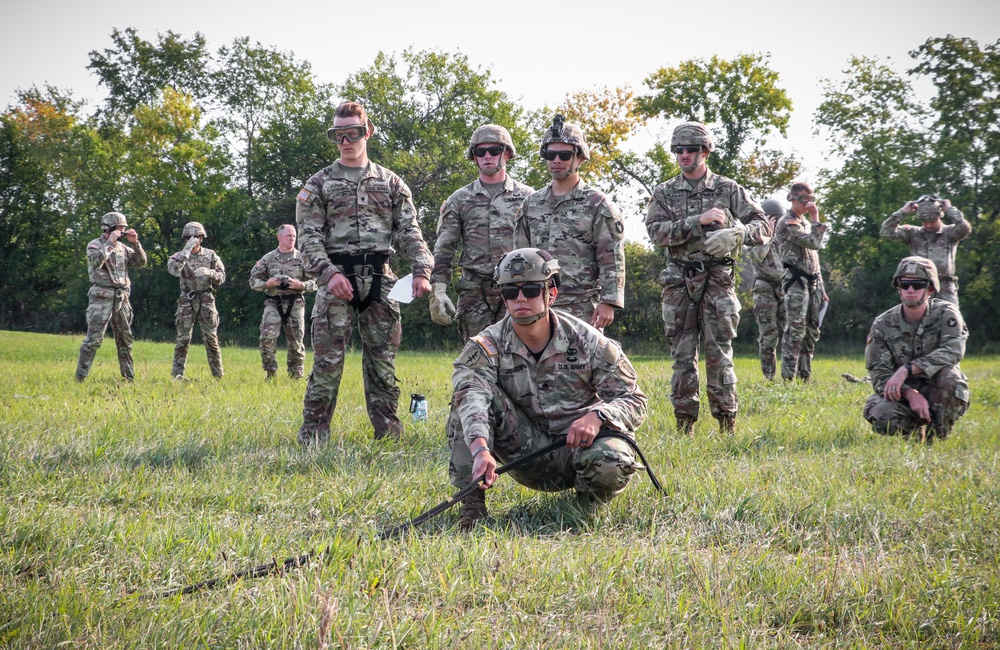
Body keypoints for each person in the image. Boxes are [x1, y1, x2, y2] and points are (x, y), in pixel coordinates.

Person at [447, 248, 648, 529]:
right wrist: (481, 450)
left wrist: (598, 416)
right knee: (466, 402)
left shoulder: (588, 341)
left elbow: (633, 398)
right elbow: (472, 396)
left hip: (580, 450)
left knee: (613, 458)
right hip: (523, 453)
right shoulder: (486, 346)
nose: (520, 299)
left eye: (530, 290)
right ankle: (472, 507)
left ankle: (581, 508)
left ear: (550, 294)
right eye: (509, 292)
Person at [295, 101, 433, 444]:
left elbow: (409, 230)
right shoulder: (319, 184)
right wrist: (328, 274)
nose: (345, 141)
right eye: (338, 135)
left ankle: (388, 436)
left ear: (367, 132)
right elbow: (308, 237)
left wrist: (421, 269)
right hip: (335, 278)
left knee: (382, 366)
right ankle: (313, 438)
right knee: (327, 365)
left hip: (381, 280)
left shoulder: (390, 182)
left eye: (352, 133)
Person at [644, 121, 770, 434]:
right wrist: (696, 221)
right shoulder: (665, 192)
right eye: (678, 150)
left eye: (691, 149)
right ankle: (684, 425)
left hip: (718, 278)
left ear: (706, 151)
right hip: (678, 279)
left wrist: (738, 234)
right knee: (683, 358)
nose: (684, 155)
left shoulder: (728, 189)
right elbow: (656, 234)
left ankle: (727, 424)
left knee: (719, 355)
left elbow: (764, 227)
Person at [513, 114, 625, 330]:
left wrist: (609, 301)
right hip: (537, 303)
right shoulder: (531, 204)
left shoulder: (598, 204)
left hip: (582, 306)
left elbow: (611, 257)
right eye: (550, 154)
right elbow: (520, 255)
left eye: (565, 155)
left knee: (580, 363)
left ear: (580, 158)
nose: (556, 161)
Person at [430, 124, 534, 339]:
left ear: (506, 154)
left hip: (518, 289)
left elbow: (542, 248)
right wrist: (438, 288)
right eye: (481, 152)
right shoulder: (459, 199)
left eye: (494, 151)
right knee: (476, 359)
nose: (487, 156)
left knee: (519, 356)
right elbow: (444, 248)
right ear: (474, 157)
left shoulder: (528, 198)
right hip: (474, 291)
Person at [863, 256, 969, 443]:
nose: (910, 290)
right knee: (881, 414)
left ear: (930, 289)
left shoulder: (946, 314)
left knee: (952, 377)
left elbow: (953, 351)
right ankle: (911, 432)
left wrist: (907, 369)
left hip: (937, 389)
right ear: (899, 287)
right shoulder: (882, 324)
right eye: (905, 285)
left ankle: (936, 437)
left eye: (918, 285)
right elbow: (879, 374)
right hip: (902, 394)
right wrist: (910, 393)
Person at [75, 211, 147, 382]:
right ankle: (80, 378)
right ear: (110, 228)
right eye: (120, 228)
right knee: (93, 340)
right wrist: (109, 242)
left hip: (122, 297)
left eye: (124, 228)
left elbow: (141, 262)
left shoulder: (123, 248)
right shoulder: (95, 244)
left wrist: (135, 243)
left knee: (125, 339)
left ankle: (128, 378)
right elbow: (95, 262)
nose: (123, 231)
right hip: (101, 297)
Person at [774, 182, 828, 382]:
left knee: (812, 329)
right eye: (804, 199)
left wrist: (821, 286)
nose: (809, 203)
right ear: (792, 199)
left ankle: (804, 375)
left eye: (811, 199)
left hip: (813, 282)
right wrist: (816, 218)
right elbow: (813, 242)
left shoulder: (805, 222)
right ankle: (789, 378)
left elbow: (815, 257)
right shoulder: (787, 222)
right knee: (795, 329)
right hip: (795, 281)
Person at [249, 224, 317, 380]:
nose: (292, 238)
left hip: (295, 302)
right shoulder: (268, 258)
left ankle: (296, 376)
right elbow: (253, 281)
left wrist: (301, 285)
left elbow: (316, 281)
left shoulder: (302, 258)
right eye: (288, 236)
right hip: (273, 302)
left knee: (296, 342)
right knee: (266, 338)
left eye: (294, 236)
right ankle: (270, 373)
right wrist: (267, 284)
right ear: (279, 237)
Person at [880, 194, 971, 306]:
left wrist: (949, 209)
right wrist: (903, 211)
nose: (928, 225)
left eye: (932, 221)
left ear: (939, 216)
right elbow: (886, 231)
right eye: (924, 222)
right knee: (916, 320)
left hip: (945, 287)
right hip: (919, 286)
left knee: (951, 318)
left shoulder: (949, 232)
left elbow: (965, 228)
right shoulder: (914, 233)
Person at [167, 221, 226, 379]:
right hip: (186, 299)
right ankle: (177, 375)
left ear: (202, 238)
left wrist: (210, 273)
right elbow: (173, 270)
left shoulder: (210, 255)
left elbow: (222, 277)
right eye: (188, 237)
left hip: (206, 298)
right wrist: (185, 252)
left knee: (211, 339)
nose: (192, 240)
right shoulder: (179, 256)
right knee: (183, 339)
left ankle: (218, 376)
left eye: (196, 237)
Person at [745, 198, 786, 380]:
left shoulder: (788, 236)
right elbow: (757, 256)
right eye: (773, 219)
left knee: (793, 332)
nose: (776, 223)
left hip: (787, 287)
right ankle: (769, 377)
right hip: (764, 287)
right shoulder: (755, 237)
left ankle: (792, 375)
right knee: (768, 335)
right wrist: (767, 235)